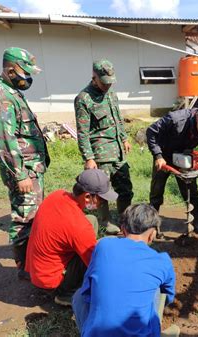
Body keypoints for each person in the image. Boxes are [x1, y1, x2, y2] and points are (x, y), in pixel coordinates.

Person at [0, 47, 49, 279]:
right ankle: (24, 268)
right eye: (25, 72)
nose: (28, 78)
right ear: (11, 70)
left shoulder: (11, 92)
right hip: (23, 171)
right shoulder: (1, 96)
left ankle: (32, 261)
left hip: (32, 167)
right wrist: (20, 174)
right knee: (24, 217)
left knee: (34, 215)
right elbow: (5, 139)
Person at [72, 204, 177, 336]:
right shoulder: (162, 261)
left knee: (78, 296)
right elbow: (168, 296)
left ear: (123, 229)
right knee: (157, 290)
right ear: (153, 234)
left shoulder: (103, 246)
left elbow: (88, 290)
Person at [25, 169, 118, 306]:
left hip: (37, 269)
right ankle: (66, 294)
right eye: (102, 200)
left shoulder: (57, 195)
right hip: (53, 282)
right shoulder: (78, 226)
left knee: (91, 219)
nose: (103, 203)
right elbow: (97, 265)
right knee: (101, 252)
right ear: (87, 197)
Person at [74, 59, 133, 234]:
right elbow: (82, 132)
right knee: (100, 192)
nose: (108, 86)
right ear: (94, 78)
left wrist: (124, 138)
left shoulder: (111, 94)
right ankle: (104, 224)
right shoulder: (83, 99)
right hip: (100, 154)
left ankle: (124, 220)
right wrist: (89, 158)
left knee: (126, 189)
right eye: (104, 82)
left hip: (118, 152)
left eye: (110, 82)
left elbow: (118, 118)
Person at [146, 105, 198, 235]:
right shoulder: (175, 119)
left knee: (191, 190)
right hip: (164, 156)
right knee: (157, 191)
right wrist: (158, 156)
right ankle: (153, 226)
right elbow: (151, 132)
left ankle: (197, 222)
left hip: (184, 156)